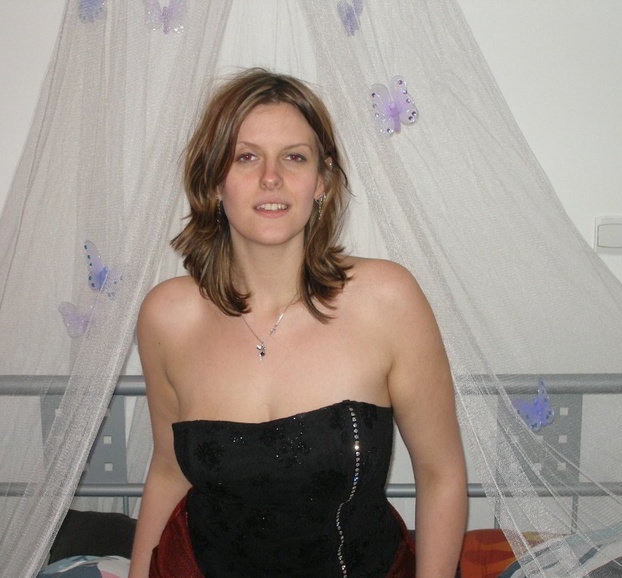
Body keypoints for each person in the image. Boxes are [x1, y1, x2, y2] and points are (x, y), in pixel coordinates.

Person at [128, 68, 466, 578]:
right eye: (246, 157)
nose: (271, 177)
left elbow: (441, 474)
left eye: (294, 157)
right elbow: (168, 472)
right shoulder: (166, 316)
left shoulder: (388, 300)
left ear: (322, 181)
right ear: (214, 181)